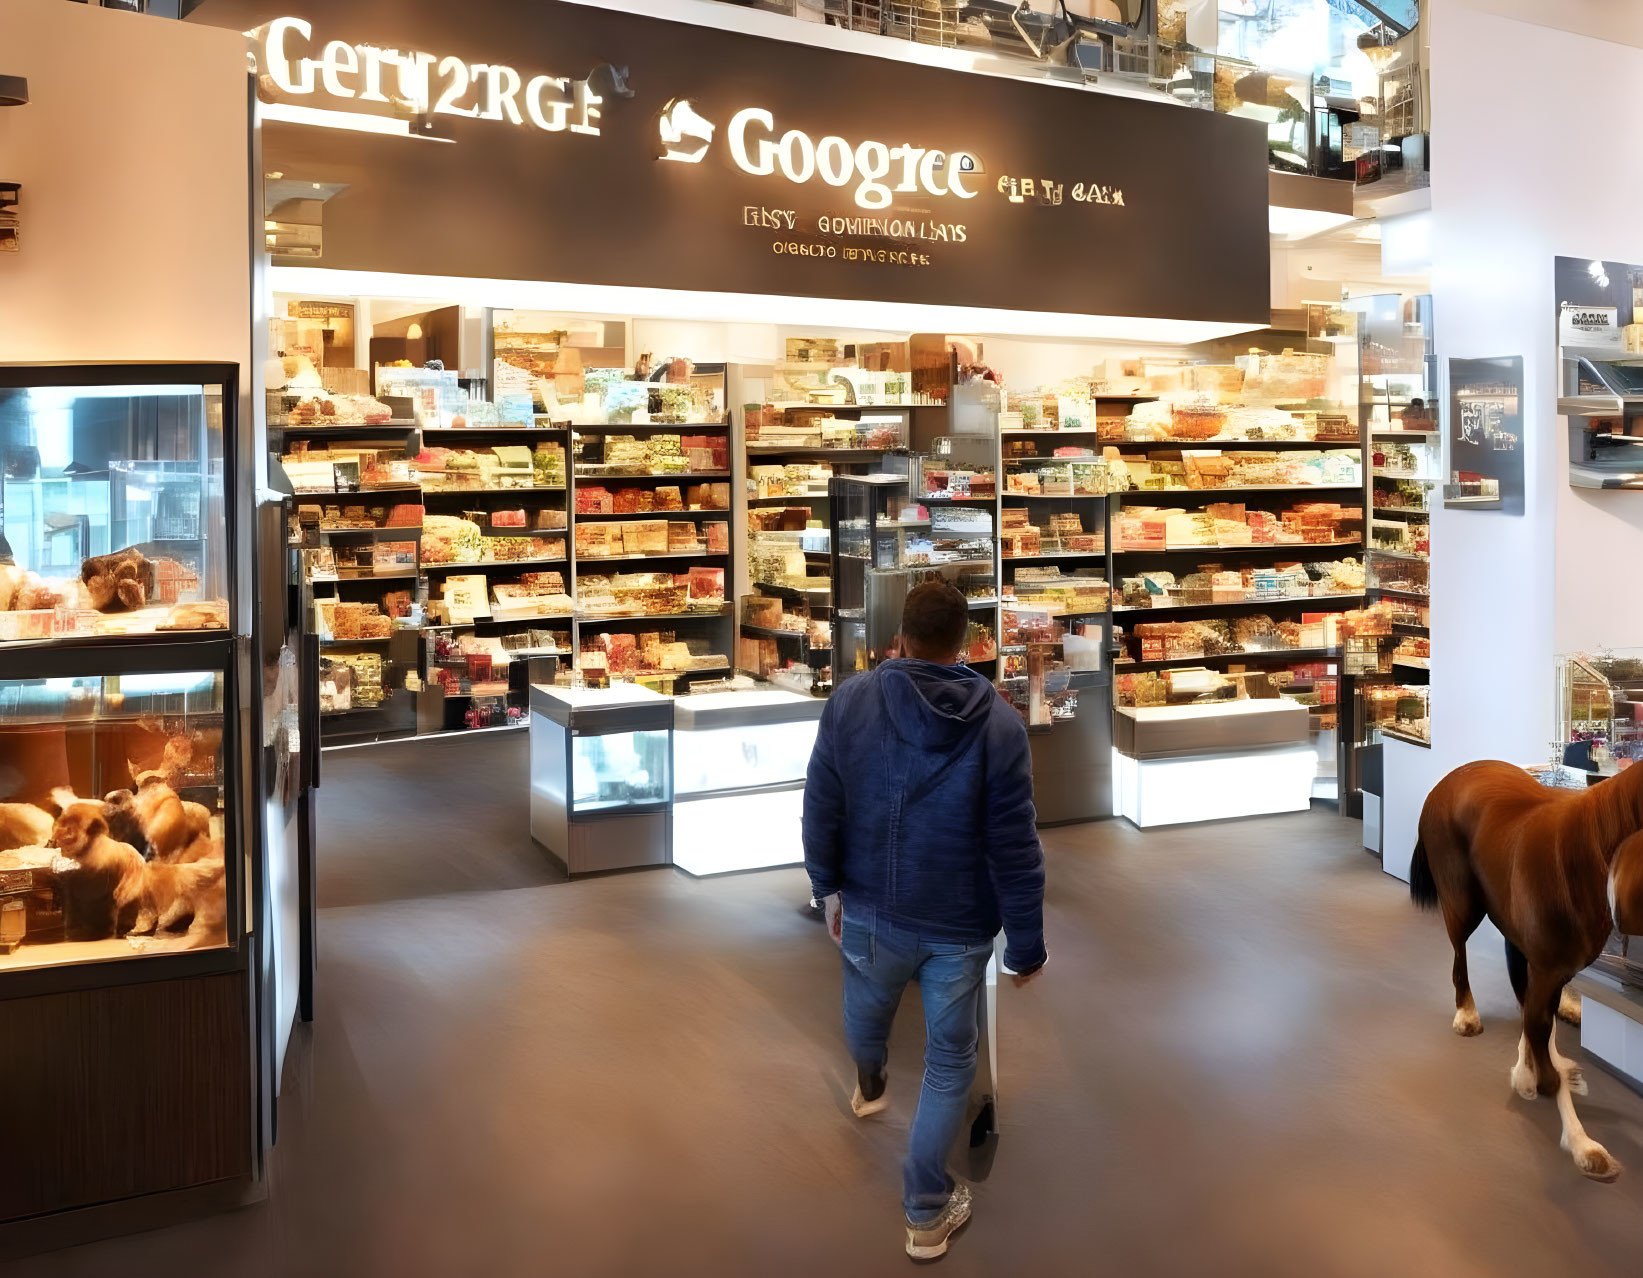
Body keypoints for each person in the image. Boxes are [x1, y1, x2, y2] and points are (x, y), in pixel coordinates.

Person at [803, 579, 1047, 1261]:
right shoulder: (997, 722)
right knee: (948, 1063)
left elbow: (820, 802)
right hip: (960, 922)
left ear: (901, 637)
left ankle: (870, 1078)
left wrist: (826, 888)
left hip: (871, 905)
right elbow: (1013, 845)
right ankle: (924, 1212)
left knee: (866, 999)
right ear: (967, 643)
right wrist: (1024, 945)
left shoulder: (850, 700)